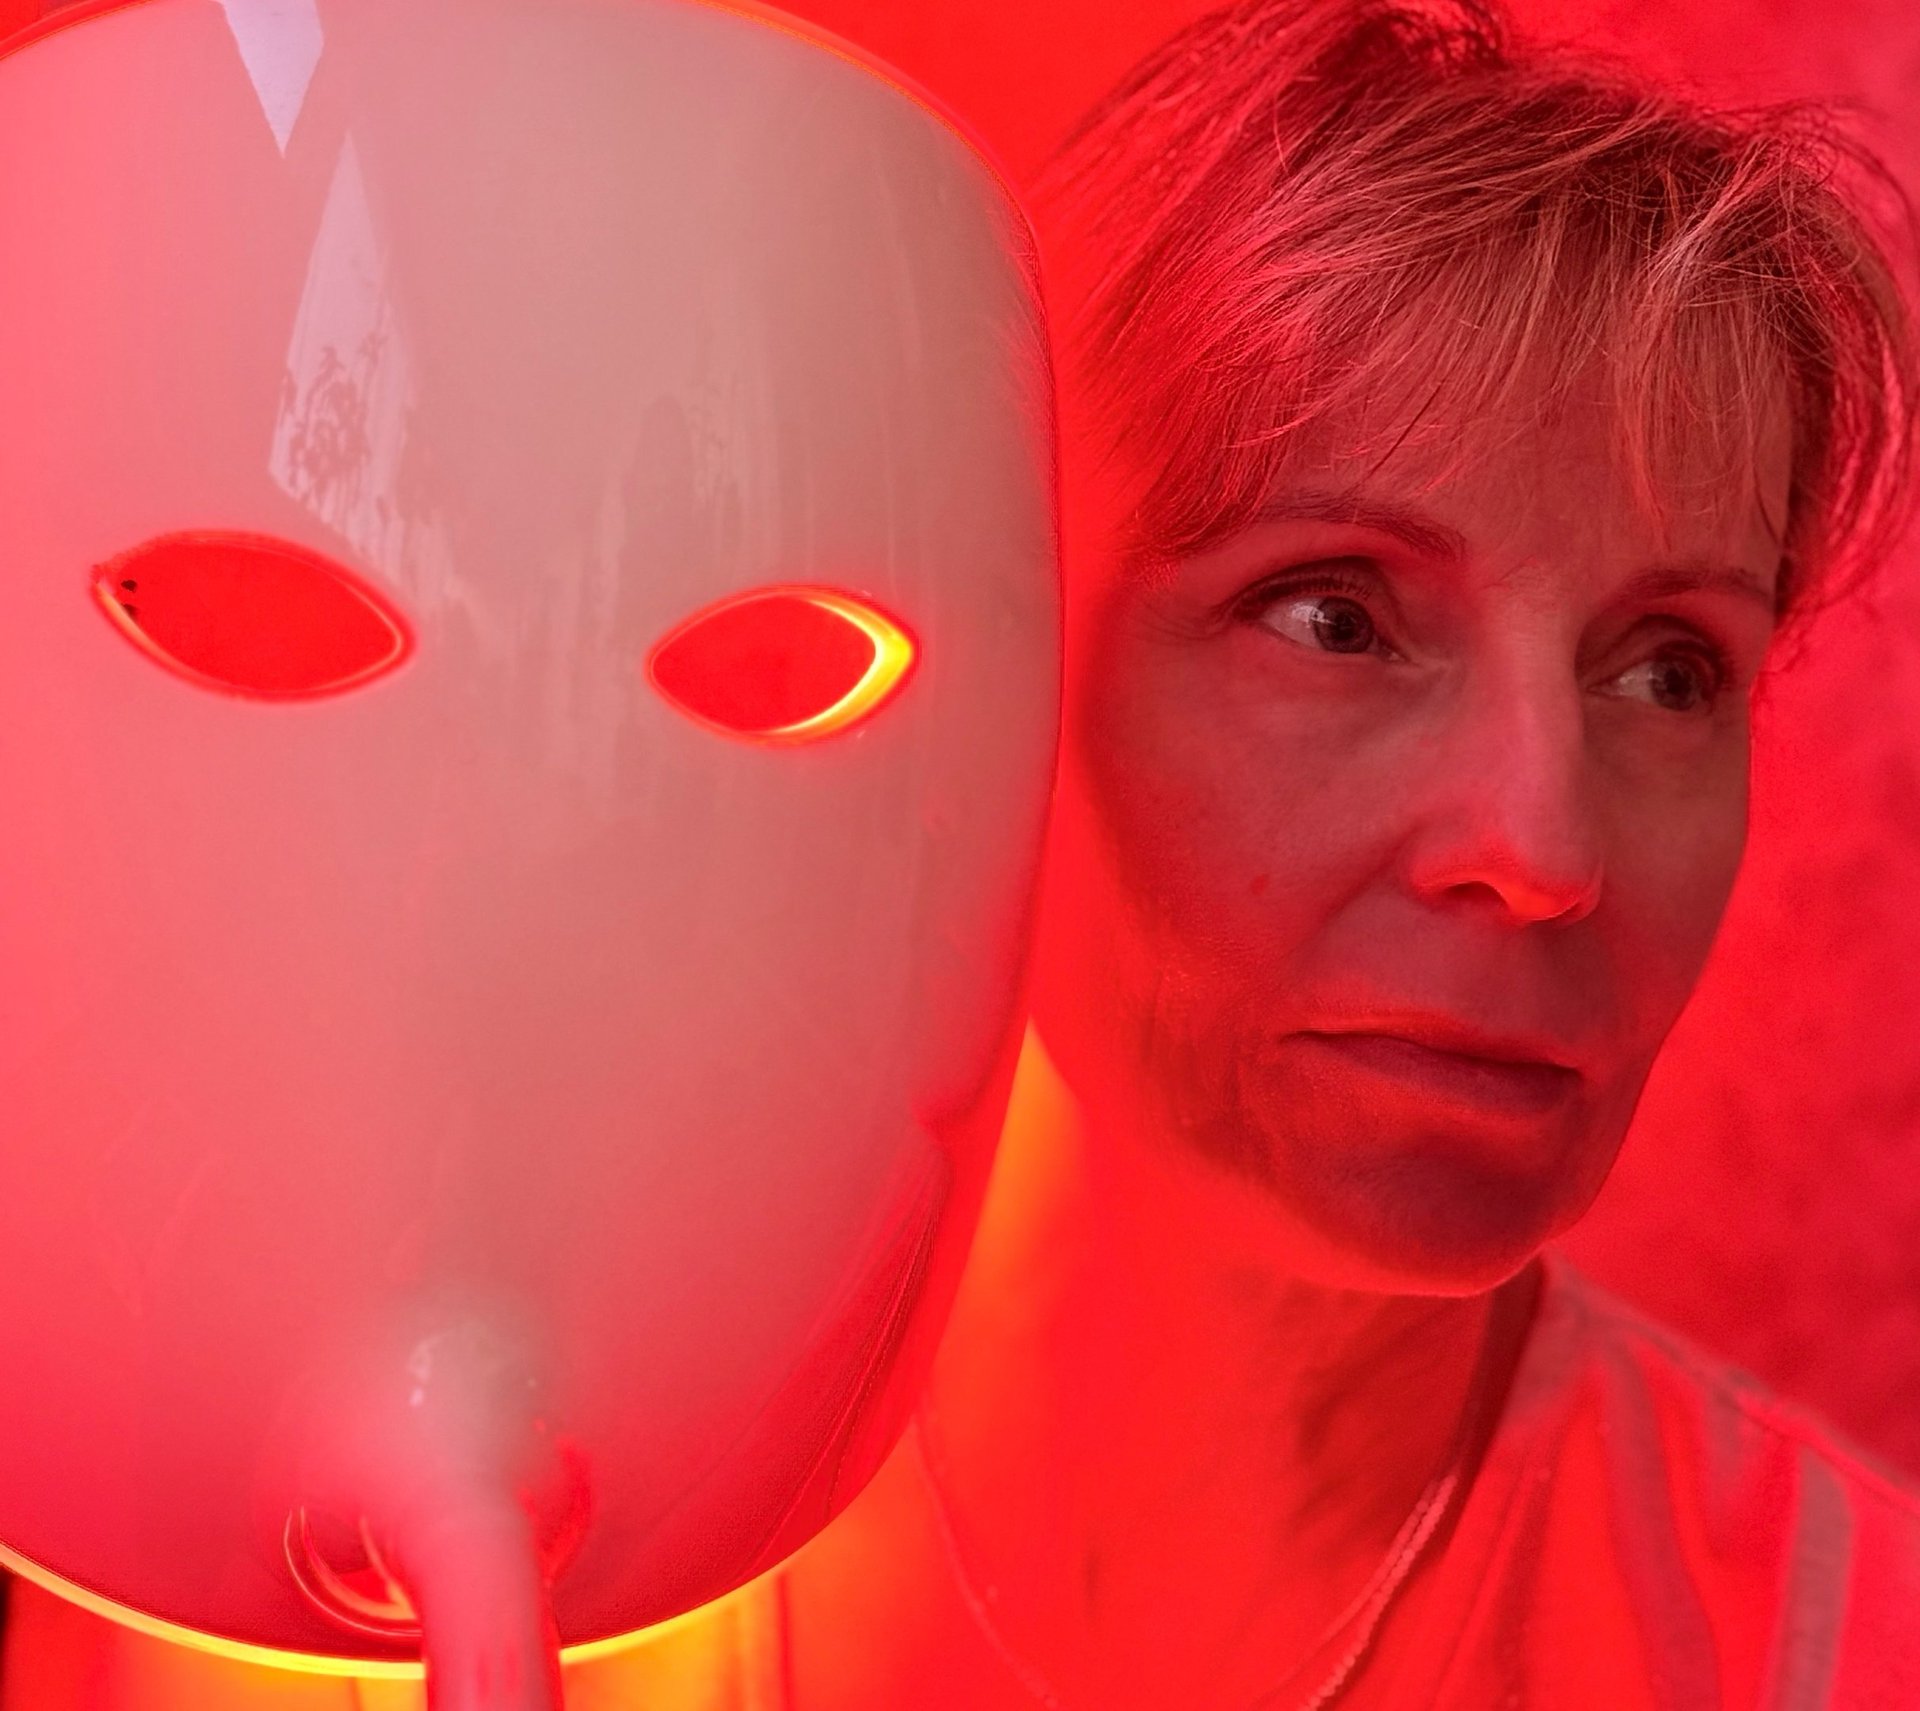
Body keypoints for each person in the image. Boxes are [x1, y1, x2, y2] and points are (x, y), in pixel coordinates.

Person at [693, 1, 1920, 1707]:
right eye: (1337, 616)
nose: (1541, 848)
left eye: (1669, 668)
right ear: (1006, 648)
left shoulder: (1847, 1642)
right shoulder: (513, 1570)